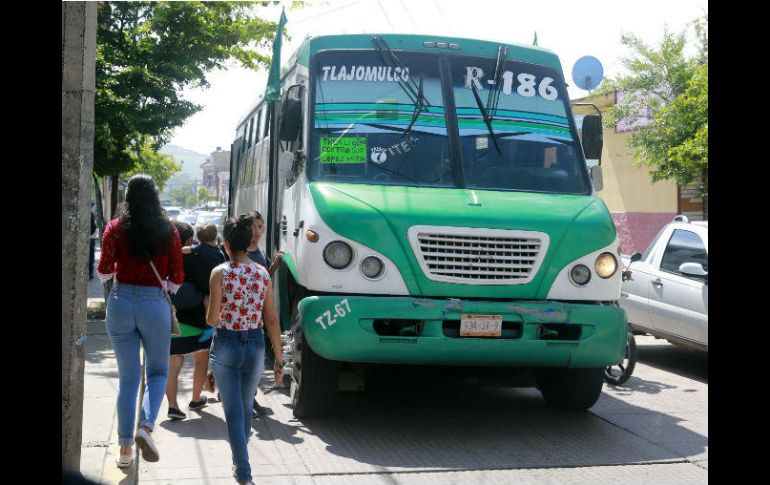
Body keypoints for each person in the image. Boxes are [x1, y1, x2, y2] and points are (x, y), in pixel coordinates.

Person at [97, 174, 184, 468]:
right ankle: (145, 428)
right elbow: (177, 277)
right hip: (153, 305)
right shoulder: (168, 230)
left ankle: (124, 450)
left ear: (127, 198)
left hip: (120, 303)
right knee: (158, 373)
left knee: (128, 379)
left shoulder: (115, 229)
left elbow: (104, 271)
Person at [207, 214, 284, 485]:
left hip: (227, 343)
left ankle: (244, 473)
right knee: (245, 406)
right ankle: (242, 460)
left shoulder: (220, 273)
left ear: (226, 244)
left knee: (233, 413)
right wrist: (279, 359)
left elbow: (212, 320)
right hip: (255, 344)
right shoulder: (262, 273)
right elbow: (271, 319)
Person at [165, 221, 226, 420]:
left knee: (173, 364)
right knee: (201, 360)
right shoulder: (214, 257)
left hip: (174, 320)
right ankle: (196, 398)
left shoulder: (177, 255)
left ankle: (172, 406)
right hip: (200, 321)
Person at [246, 211, 284, 418]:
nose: (257, 231)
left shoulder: (258, 251)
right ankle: (247, 401)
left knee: (253, 364)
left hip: (257, 314)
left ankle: (248, 400)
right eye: (253, 227)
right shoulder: (241, 252)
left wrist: (274, 266)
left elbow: (263, 279)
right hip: (244, 314)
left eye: (260, 227)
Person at [89, 202, 98, 279]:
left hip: (90, 238)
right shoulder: (90, 214)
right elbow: (93, 228)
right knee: (91, 256)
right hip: (90, 238)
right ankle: (90, 273)